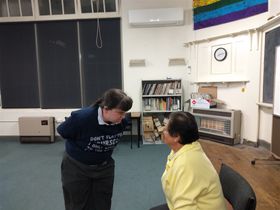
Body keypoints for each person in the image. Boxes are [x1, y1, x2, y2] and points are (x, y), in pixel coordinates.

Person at [57, 88, 133, 210]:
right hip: (76, 166)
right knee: (77, 203)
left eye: (125, 112)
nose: (124, 117)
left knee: (103, 202)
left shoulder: (122, 121)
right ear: (106, 109)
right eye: (120, 112)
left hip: (104, 166)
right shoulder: (82, 118)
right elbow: (63, 131)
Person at [150, 112, 226, 210]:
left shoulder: (186, 164)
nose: (162, 130)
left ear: (177, 137)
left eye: (165, 127)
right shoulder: (187, 148)